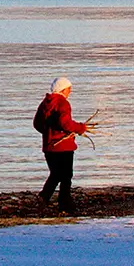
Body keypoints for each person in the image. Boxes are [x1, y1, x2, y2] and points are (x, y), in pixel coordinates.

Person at [33, 77, 89, 214]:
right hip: (63, 146)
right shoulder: (63, 103)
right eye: (69, 89)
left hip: (49, 146)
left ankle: (45, 198)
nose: (70, 91)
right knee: (66, 176)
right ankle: (63, 203)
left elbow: (37, 124)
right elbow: (65, 123)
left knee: (56, 174)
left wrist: (48, 133)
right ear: (63, 89)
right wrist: (80, 128)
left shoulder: (45, 103)